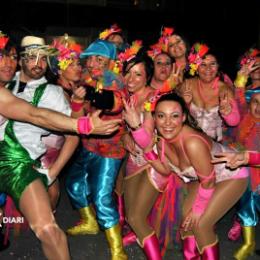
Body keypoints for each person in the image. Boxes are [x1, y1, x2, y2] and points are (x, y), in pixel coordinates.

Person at [124, 92, 248, 259]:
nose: (167, 123)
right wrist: (147, 148)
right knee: (186, 223)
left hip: (231, 176)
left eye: (174, 116)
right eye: (161, 116)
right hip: (202, 179)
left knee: (200, 224)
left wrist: (198, 210)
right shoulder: (162, 140)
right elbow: (166, 171)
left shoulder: (192, 142)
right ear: (154, 118)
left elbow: (209, 182)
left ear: (183, 117)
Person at [65, 39, 127, 259]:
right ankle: (90, 222)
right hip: (88, 145)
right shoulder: (88, 79)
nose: (92, 62)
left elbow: (114, 101)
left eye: (98, 58)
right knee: (73, 184)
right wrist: (76, 99)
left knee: (102, 198)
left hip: (109, 151)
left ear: (111, 61)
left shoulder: (115, 80)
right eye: (90, 58)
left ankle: (118, 251)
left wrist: (88, 93)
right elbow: (77, 114)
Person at [177, 43, 240, 142]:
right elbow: (174, 117)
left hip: (215, 144)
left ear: (218, 66)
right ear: (196, 68)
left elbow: (234, 122)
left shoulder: (224, 89)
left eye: (212, 64)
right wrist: (186, 104)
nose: (208, 69)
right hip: (188, 141)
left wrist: (228, 113)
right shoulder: (187, 85)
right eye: (203, 64)